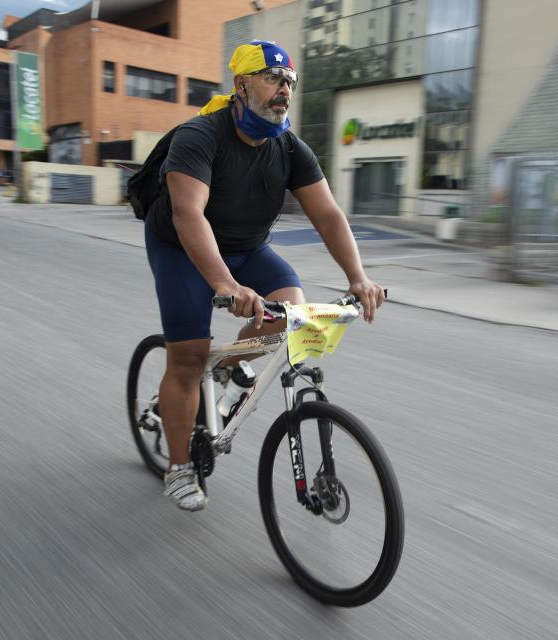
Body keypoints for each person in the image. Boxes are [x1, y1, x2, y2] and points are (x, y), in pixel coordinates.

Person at [144, 40, 385, 511]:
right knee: (189, 358)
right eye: (273, 79)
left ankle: (230, 369)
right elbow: (188, 215)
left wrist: (358, 277)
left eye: (289, 82)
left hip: (247, 247)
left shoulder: (290, 148)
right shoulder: (199, 137)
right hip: (183, 249)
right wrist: (225, 284)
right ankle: (177, 467)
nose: (284, 90)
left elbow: (330, 216)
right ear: (241, 85)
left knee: (287, 314)